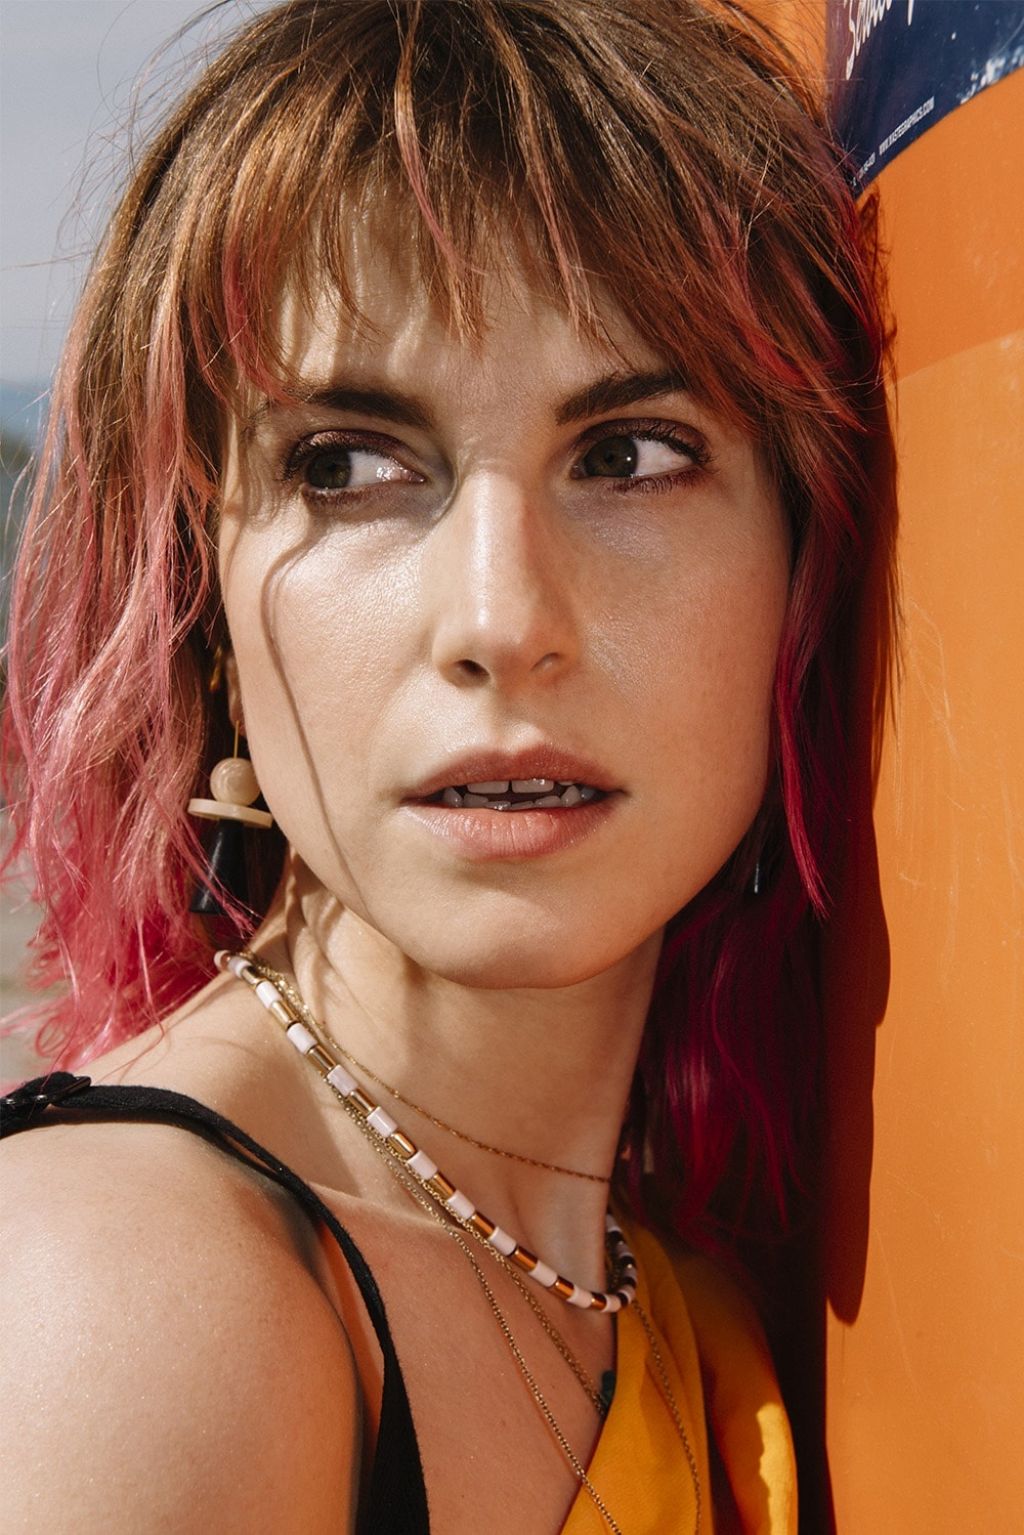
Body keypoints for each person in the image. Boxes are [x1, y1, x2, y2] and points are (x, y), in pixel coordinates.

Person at [0, 1, 895, 1530]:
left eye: (630, 454)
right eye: (348, 465)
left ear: (803, 573)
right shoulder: (129, 1295)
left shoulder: (675, 1280)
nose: (501, 623)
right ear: (201, 603)